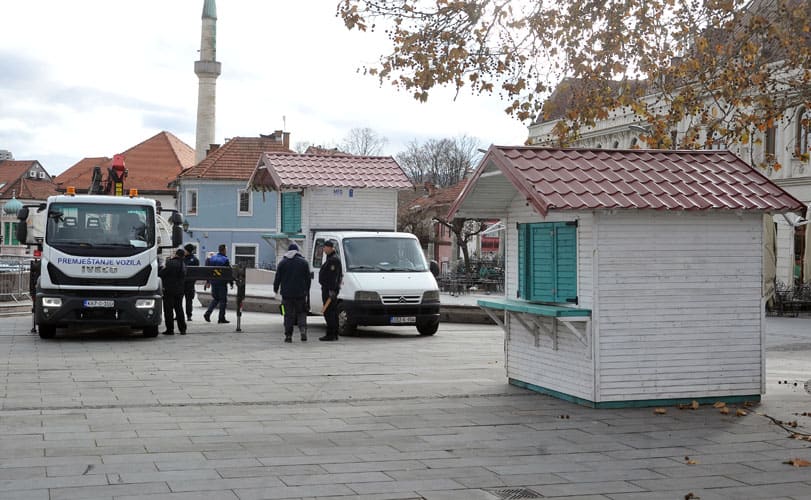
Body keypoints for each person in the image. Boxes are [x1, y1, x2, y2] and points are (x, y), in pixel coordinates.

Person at [273, 243, 311, 343]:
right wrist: (306, 290)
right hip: (300, 294)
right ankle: (303, 331)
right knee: (301, 313)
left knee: (287, 315)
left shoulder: (283, 263)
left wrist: (275, 289)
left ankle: (288, 335)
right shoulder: (304, 263)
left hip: (286, 295)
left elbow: (277, 278)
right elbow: (308, 279)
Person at [159, 248, 187, 335]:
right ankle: (182, 329)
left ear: (176, 254)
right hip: (179, 290)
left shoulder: (170, 263)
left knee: (168, 310)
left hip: (169, 290)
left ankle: (170, 329)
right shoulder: (183, 265)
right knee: (179, 309)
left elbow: (161, 274)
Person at [318, 240, 342, 341]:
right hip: (329, 289)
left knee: (329, 312)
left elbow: (333, 277)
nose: (323, 249)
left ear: (330, 248)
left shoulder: (333, 260)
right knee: (331, 312)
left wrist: (332, 290)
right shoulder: (330, 258)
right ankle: (333, 333)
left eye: (325, 247)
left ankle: (331, 334)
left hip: (329, 291)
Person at [204, 244, 234, 323]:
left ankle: (208, 313)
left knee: (216, 298)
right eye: (226, 250)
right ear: (224, 250)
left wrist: (208, 281)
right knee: (223, 300)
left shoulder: (212, 258)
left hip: (214, 282)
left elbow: (208, 271)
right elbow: (228, 272)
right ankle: (221, 318)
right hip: (222, 283)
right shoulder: (225, 260)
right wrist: (231, 283)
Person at [182, 243, 200, 321]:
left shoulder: (194, 260)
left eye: (185, 250)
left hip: (189, 283)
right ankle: (179, 315)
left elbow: (196, 272)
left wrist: (193, 281)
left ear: (188, 251)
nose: (184, 251)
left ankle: (189, 315)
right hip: (182, 283)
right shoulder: (182, 258)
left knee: (189, 300)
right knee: (179, 300)